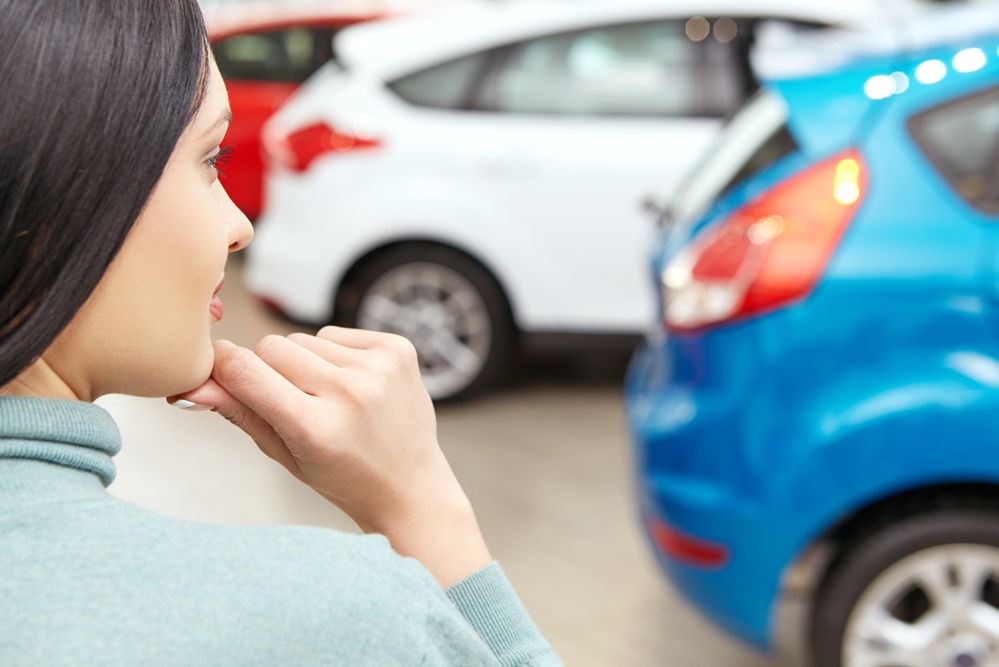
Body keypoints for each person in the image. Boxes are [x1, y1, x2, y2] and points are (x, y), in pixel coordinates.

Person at [0, 1, 560, 665]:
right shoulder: (325, 618)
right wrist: (420, 504)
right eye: (212, 156)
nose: (240, 225)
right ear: (60, 187)